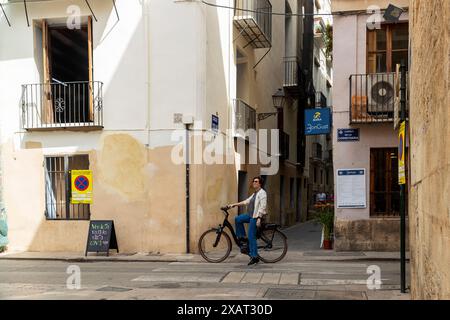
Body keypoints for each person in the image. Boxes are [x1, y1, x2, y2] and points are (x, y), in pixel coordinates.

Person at [227, 176, 267, 266]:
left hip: (255, 217)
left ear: (260, 183)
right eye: (253, 181)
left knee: (251, 236)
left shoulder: (262, 193)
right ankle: (241, 237)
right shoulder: (255, 193)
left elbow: (263, 206)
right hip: (249, 215)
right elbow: (246, 201)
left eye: (256, 181)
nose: (254, 182)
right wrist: (234, 204)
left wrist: (259, 218)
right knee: (238, 219)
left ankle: (254, 256)